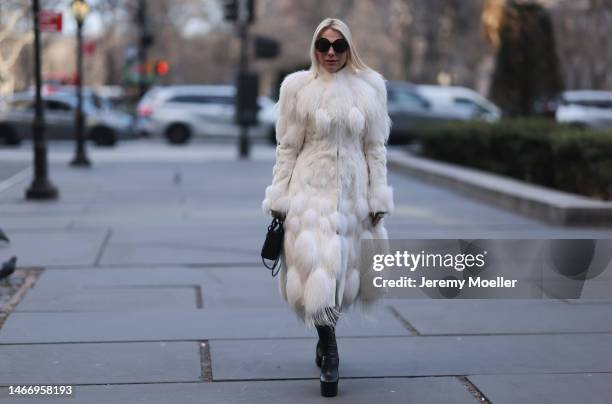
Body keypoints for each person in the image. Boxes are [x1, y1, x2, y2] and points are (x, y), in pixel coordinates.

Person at [262, 17, 394, 397]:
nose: (331, 53)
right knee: (318, 266)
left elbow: (375, 148)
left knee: (342, 273)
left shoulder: (370, 88)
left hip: (353, 196)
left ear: (349, 49)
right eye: (324, 45)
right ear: (314, 49)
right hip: (309, 192)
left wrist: (377, 195)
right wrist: (279, 196)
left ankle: (324, 336)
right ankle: (331, 350)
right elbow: (287, 147)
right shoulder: (297, 88)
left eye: (339, 46)